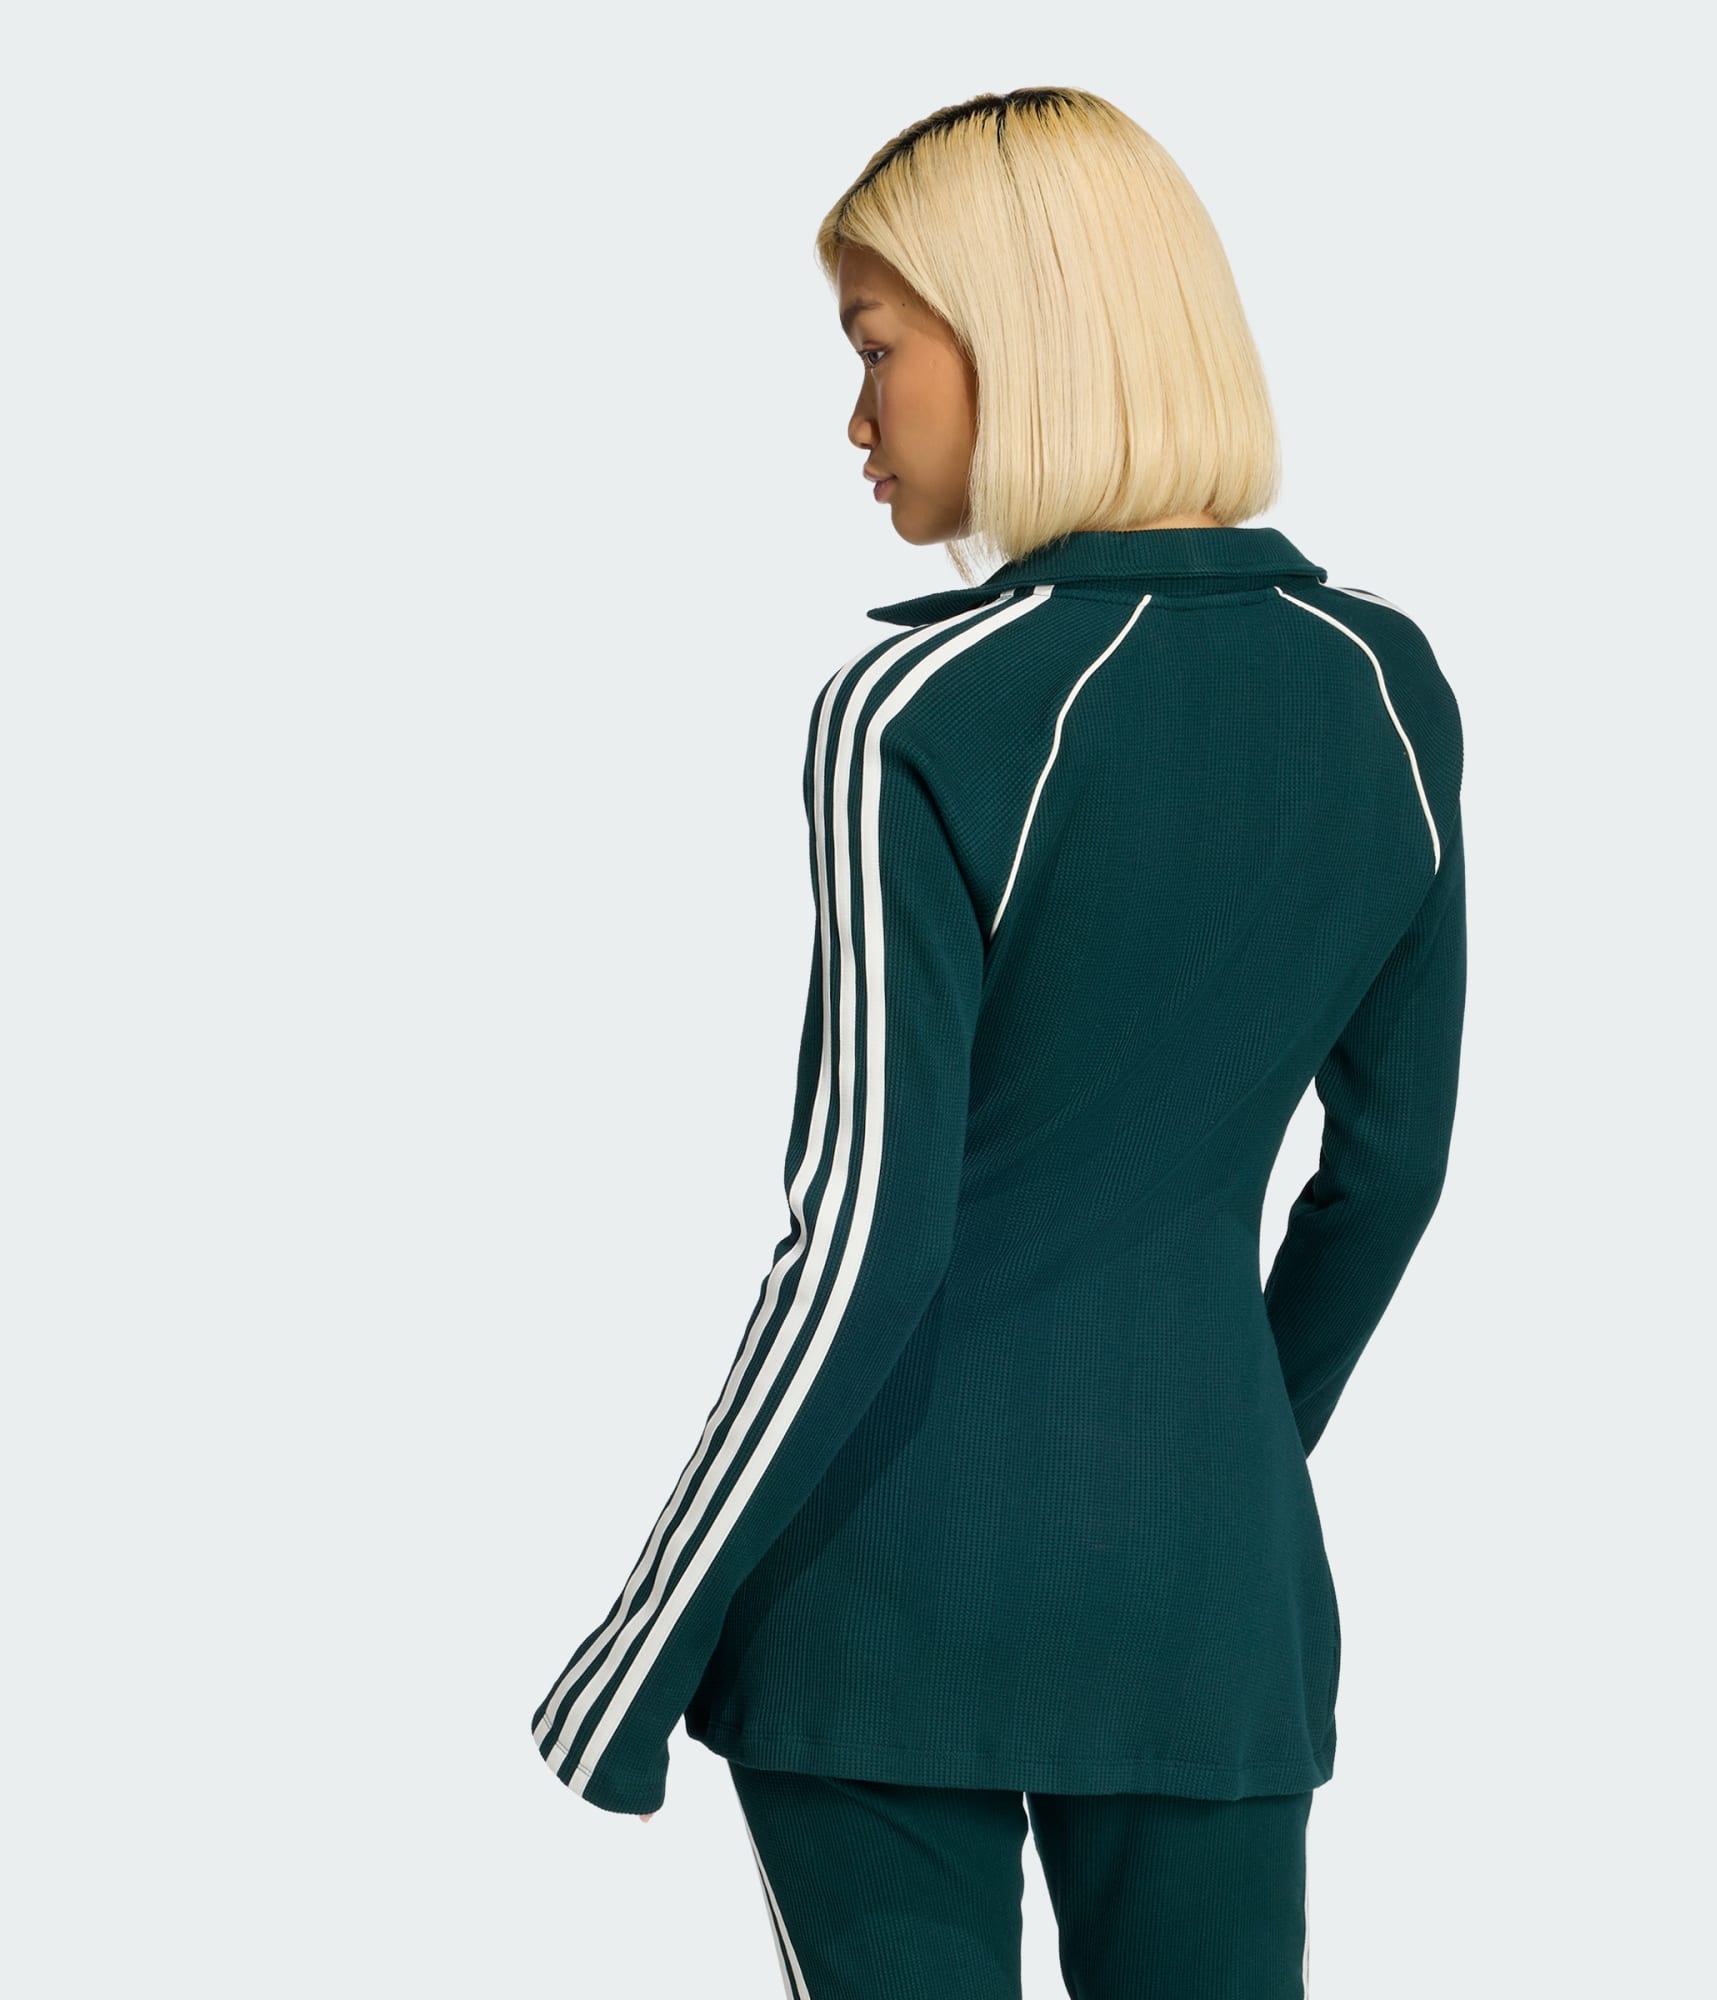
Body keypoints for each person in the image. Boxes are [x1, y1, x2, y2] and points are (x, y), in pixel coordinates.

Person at [530, 85, 1467, 1999]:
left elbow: (861, 1232)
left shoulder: (919, 708)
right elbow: (1388, 1176)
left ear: (1019, 335)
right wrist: (1215, 1458)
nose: (855, 418)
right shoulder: (1388, 688)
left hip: (887, 1593)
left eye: (877, 348)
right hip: (1210, 1599)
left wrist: (645, 1638)